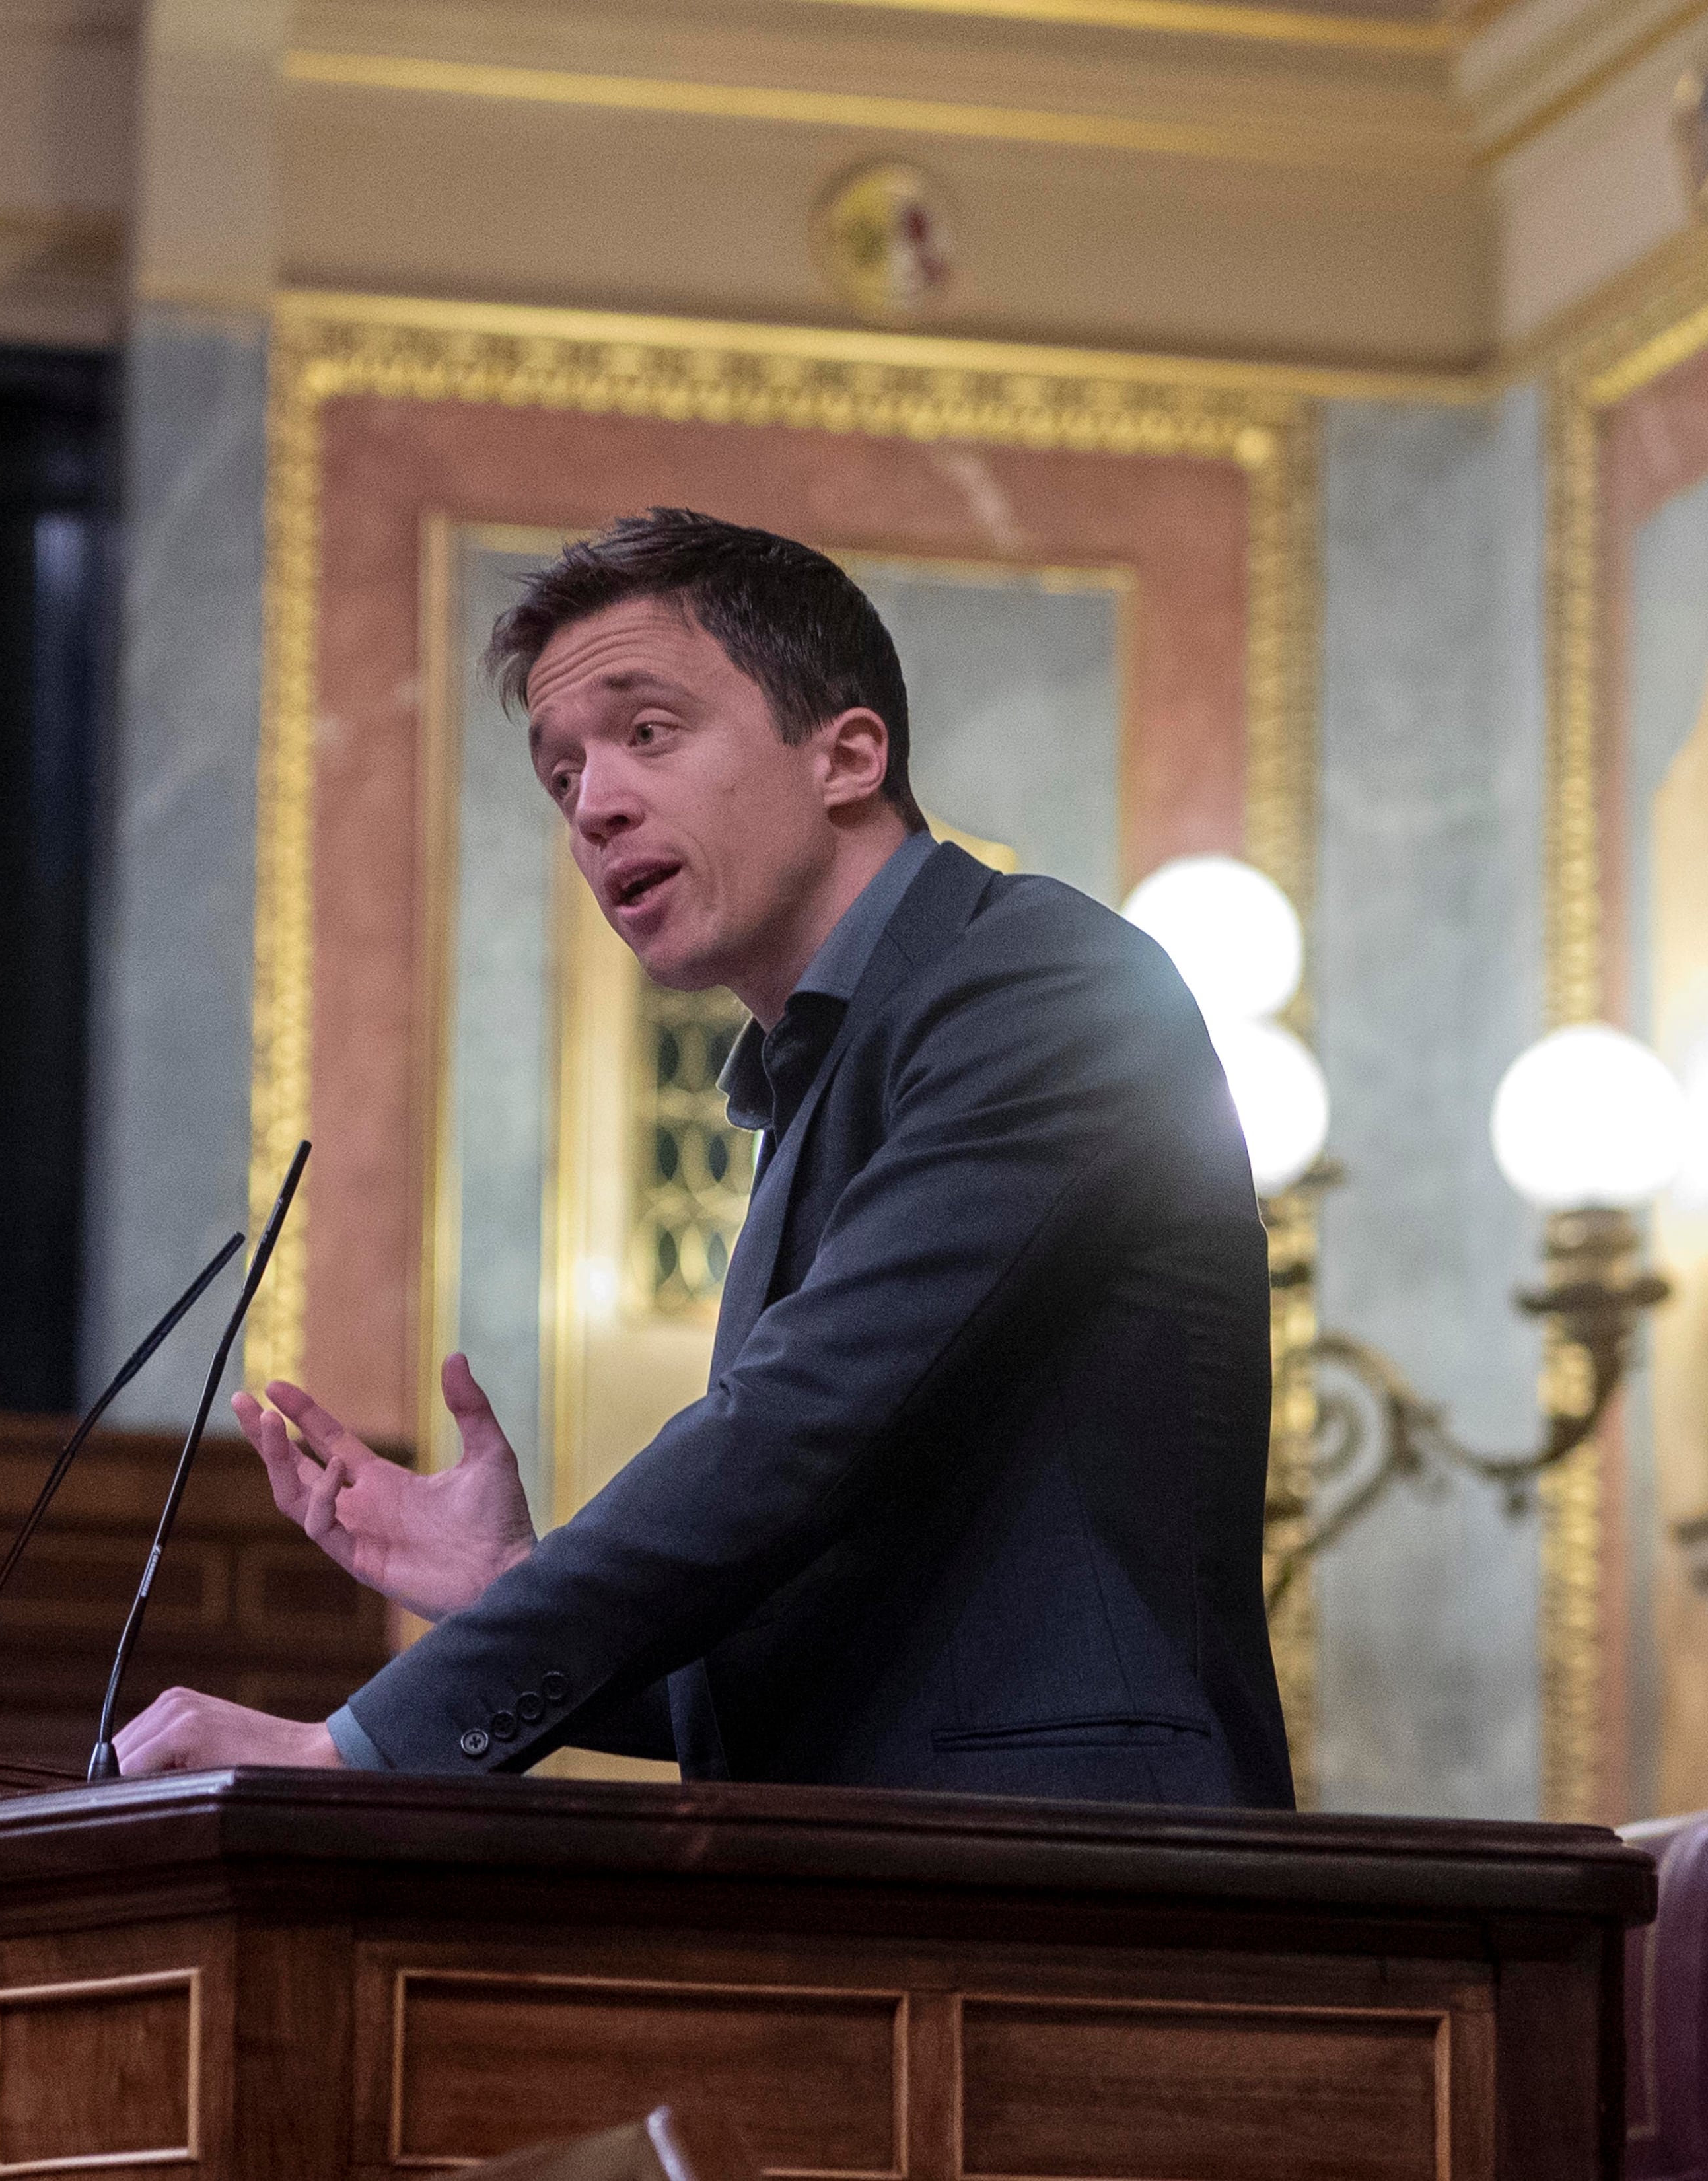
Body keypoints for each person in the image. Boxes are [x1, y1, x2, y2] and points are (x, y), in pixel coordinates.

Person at [107, 509, 1292, 1806]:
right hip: (890, 1883)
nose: (595, 805)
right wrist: (505, 1584)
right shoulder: (821, 1078)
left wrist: (360, 1743)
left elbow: (799, 1426)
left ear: (846, 755)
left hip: (1094, 1891)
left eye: (646, 733)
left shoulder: (1041, 984)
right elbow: (808, 1650)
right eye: (560, 775)